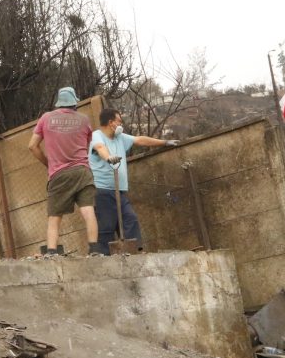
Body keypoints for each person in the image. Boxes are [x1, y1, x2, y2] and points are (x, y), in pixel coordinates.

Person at [89, 108, 179, 255]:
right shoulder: (96, 136)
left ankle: (134, 252)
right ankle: (103, 258)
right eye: (119, 121)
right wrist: (109, 158)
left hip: (120, 191)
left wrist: (165, 142)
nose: (120, 123)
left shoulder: (120, 137)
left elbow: (140, 140)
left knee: (130, 219)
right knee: (106, 226)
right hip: (103, 190)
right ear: (111, 123)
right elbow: (100, 148)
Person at [28, 86, 102, 256]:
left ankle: (52, 252)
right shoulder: (84, 120)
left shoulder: (46, 118)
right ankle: (94, 249)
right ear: (74, 103)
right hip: (83, 172)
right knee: (88, 210)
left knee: (55, 216)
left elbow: (32, 146)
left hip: (58, 174)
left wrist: (49, 164)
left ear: (59, 103)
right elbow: (89, 143)